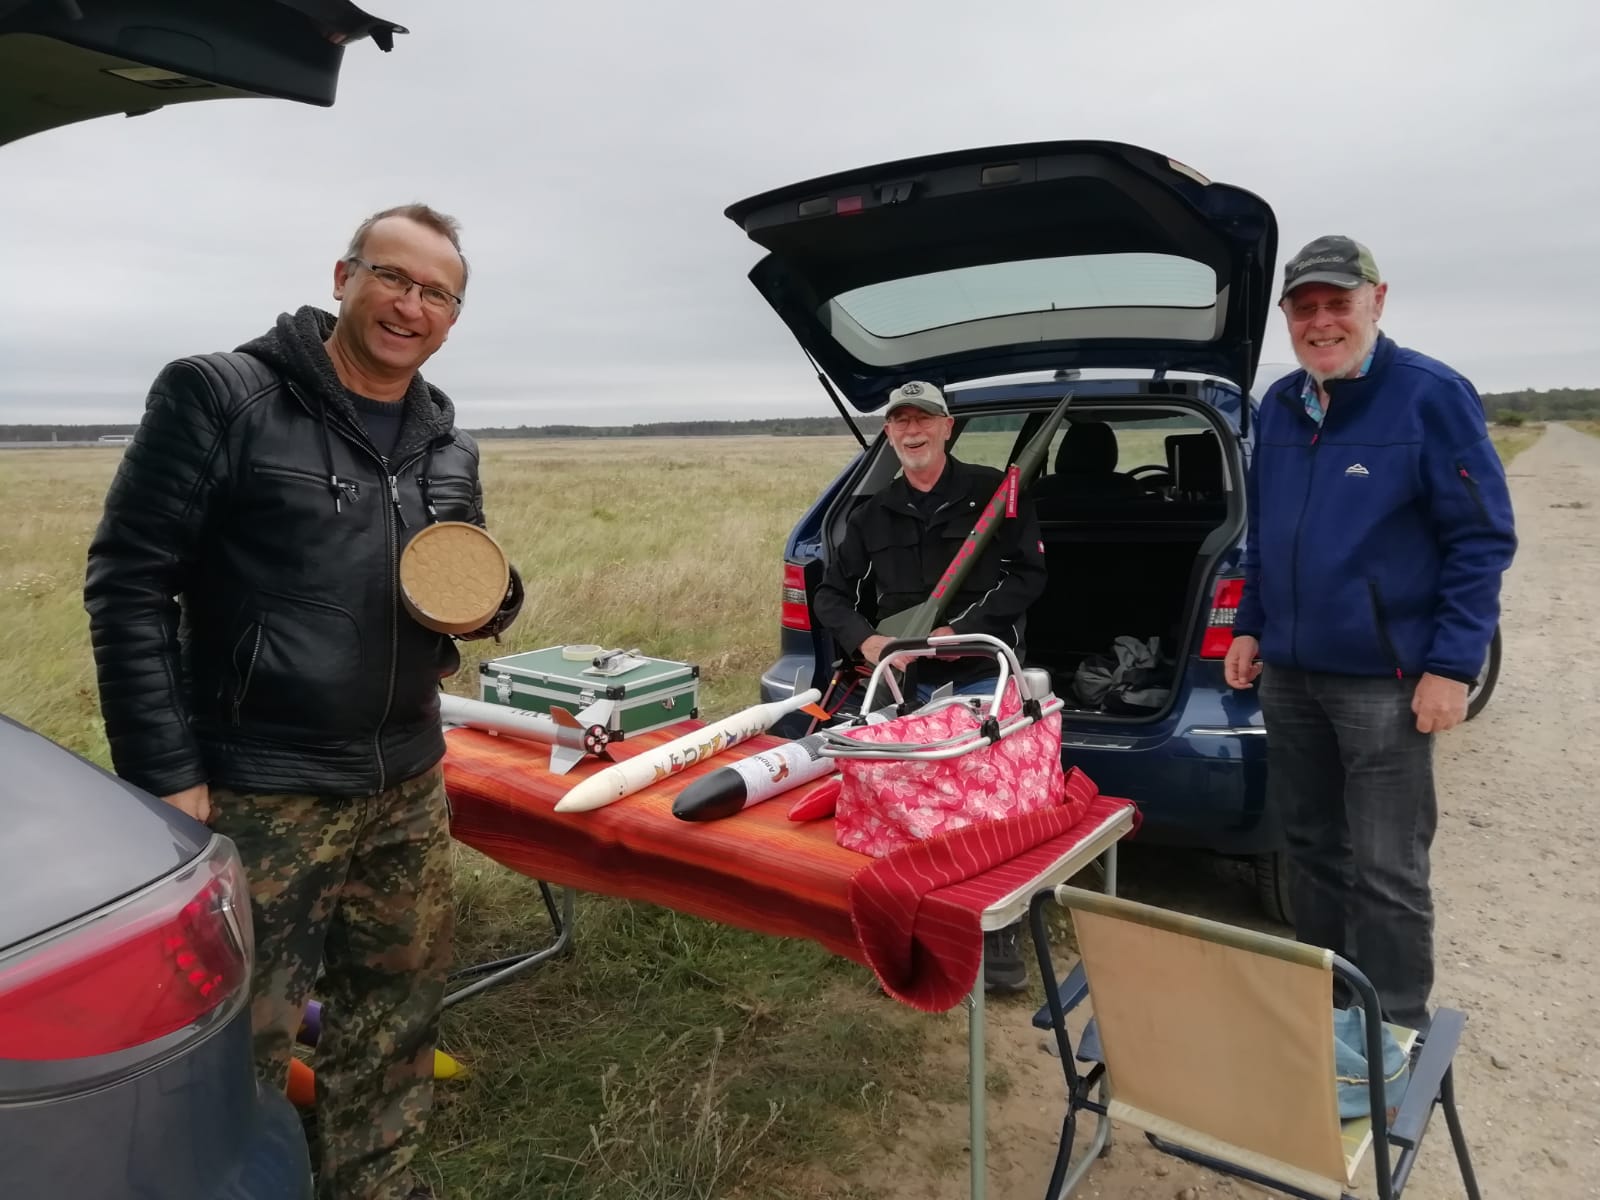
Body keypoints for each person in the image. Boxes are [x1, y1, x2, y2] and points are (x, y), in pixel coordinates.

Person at [84, 204, 521, 1200]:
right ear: (342, 276)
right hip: (259, 786)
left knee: (397, 1016)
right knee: (237, 1040)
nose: (410, 305)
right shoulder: (223, 396)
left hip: (405, 778)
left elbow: (449, 580)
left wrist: (496, 599)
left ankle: (377, 1186)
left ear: (454, 318)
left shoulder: (447, 443)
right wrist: (166, 773)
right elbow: (130, 581)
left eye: (436, 293)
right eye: (392, 277)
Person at [1225, 235, 1516, 1031]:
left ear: (1376, 302)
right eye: (1304, 308)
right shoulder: (1279, 406)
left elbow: (1481, 538)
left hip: (1384, 684)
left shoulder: (1430, 395)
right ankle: (1326, 1014)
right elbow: (1264, 533)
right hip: (1291, 676)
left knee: (1388, 869)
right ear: (1288, 318)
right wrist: (1250, 626)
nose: (1321, 322)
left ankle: (1393, 1035)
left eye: (1337, 304)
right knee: (1311, 851)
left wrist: (1452, 665)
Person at [813, 380, 1047, 992]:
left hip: (983, 670)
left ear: (948, 427)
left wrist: (959, 632)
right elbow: (831, 595)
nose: (912, 431)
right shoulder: (872, 512)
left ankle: (998, 935)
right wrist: (869, 644)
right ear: (889, 432)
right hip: (909, 686)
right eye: (901, 421)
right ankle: (913, 929)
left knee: (988, 805)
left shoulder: (995, 493)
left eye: (924, 419)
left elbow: (1028, 576)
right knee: (912, 805)